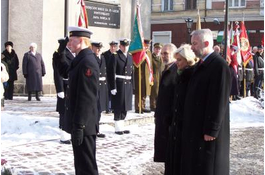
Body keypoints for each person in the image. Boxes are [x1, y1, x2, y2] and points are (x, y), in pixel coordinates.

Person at [180, 29, 231, 175]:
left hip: (208, 131)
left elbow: (219, 99)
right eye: (192, 44)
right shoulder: (202, 64)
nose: (192, 47)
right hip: (198, 126)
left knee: (210, 166)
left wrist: (212, 129)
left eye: (195, 44)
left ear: (207, 43)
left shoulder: (219, 65)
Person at [63, 26, 99, 175]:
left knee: (87, 166)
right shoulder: (80, 59)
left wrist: (79, 125)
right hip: (79, 122)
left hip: (85, 124)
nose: (69, 43)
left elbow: (87, 97)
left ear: (83, 41)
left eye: (72, 40)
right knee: (81, 165)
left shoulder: (87, 62)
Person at [165, 44, 198, 175]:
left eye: (179, 60)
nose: (177, 63)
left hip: (185, 124)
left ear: (188, 59)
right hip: (176, 122)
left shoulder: (191, 75)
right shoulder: (180, 74)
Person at [154, 43, 177, 163]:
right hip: (162, 118)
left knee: (170, 154)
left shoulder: (175, 71)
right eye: (162, 53)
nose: (163, 56)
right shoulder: (167, 69)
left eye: (166, 53)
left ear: (174, 54)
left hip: (169, 120)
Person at [108, 38, 133, 135]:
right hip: (119, 83)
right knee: (118, 106)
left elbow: (132, 73)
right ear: (120, 46)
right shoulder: (115, 56)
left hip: (128, 84)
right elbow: (111, 72)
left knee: (125, 107)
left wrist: (132, 86)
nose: (125, 48)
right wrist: (112, 87)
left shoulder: (130, 56)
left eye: (126, 46)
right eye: (123, 46)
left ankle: (122, 126)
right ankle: (118, 128)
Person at [52, 38, 74, 144]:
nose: (70, 44)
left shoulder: (74, 53)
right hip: (64, 87)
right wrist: (60, 89)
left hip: (72, 86)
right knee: (64, 111)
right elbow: (57, 73)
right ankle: (64, 135)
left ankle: (69, 131)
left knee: (70, 110)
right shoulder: (61, 53)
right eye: (68, 42)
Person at [91, 41, 107, 138]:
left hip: (102, 86)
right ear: (92, 47)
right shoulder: (91, 58)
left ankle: (97, 129)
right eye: (97, 48)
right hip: (94, 85)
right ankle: (94, 130)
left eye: (100, 48)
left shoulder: (103, 58)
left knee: (99, 109)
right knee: (94, 110)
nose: (99, 50)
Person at [134, 39, 153, 113]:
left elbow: (150, 64)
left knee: (145, 91)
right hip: (140, 75)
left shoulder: (149, 53)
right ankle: (138, 107)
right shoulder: (140, 52)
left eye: (148, 45)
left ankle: (143, 106)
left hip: (147, 75)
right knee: (139, 91)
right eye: (146, 45)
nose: (147, 47)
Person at [102, 40, 119, 113]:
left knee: (115, 92)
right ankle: (108, 107)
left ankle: (114, 107)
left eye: (114, 46)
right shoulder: (105, 54)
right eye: (112, 46)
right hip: (107, 76)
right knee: (108, 92)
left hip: (116, 76)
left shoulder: (118, 54)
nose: (113, 48)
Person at [150, 42, 163, 111]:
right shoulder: (151, 57)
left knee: (160, 92)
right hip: (154, 75)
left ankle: (159, 105)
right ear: (154, 49)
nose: (157, 50)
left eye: (159, 49)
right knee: (154, 92)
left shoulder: (162, 57)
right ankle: (153, 106)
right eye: (156, 49)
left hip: (161, 76)